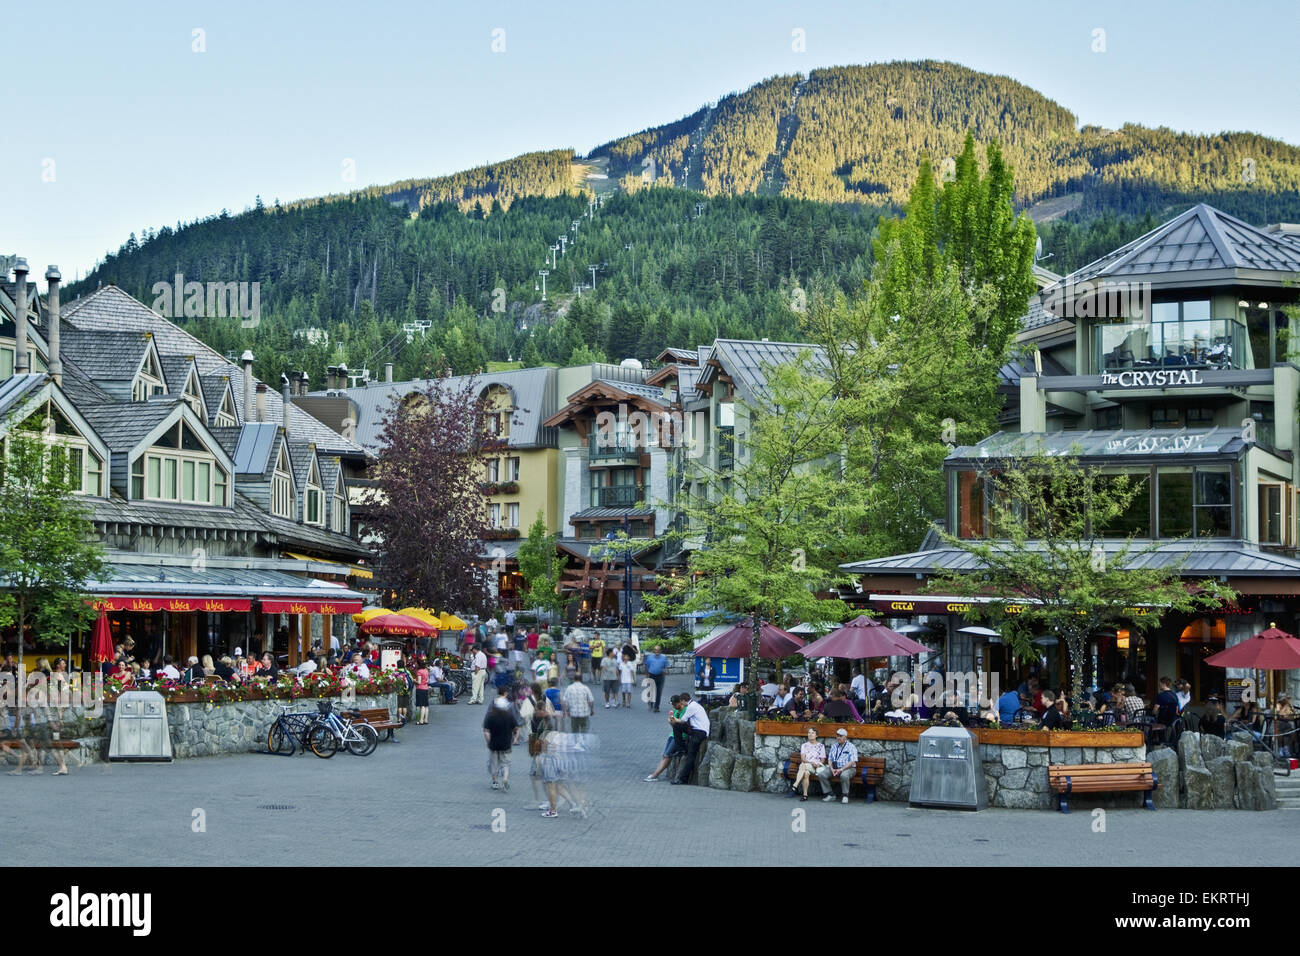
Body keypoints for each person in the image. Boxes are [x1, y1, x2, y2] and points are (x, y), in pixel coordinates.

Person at [483, 687, 520, 791]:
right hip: (506, 743)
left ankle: (495, 782)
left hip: (494, 744)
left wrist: (488, 741)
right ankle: (505, 779)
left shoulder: (491, 717)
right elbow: (516, 729)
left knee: (494, 763)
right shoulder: (509, 717)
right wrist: (514, 739)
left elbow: (486, 731)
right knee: (505, 763)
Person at [645, 695, 688, 781]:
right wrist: (671, 722)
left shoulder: (686, 711)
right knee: (665, 755)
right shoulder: (675, 711)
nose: (674, 706)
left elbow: (684, 724)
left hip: (681, 737)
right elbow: (674, 726)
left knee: (667, 755)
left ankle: (655, 775)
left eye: (675, 704)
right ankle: (657, 773)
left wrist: (675, 721)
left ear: (680, 702)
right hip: (672, 735)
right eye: (672, 704)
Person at [671, 692, 710, 785]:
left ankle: (683, 778)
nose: (681, 704)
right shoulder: (695, 705)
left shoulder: (691, 707)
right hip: (696, 729)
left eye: (681, 702)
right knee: (676, 726)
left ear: (684, 700)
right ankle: (681, 749)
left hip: (700, 732)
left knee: (691, 755)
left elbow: (682, 720)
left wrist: (673, 719)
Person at [791, 726, 830, 802]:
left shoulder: (821, 746)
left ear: (816, 735)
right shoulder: (804, 745)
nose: (810, 734)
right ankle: (805, 795)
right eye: (809, 733)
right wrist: (810, 762)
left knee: (803, 766)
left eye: (812, 733)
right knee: (805, 773)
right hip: (807, 765)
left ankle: (795, 784)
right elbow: (803, 758)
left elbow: (822, 760)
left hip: (815, 767)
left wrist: (817, 764)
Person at [827, 728, 859, 804]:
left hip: (848, 768)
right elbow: (830, 759)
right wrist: (831, 769)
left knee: (844, 775)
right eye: (837, 735)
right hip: (834, 768)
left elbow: (853, 761)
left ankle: (845, 795)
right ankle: (830, 794)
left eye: (840, 736)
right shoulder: (834, 746)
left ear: (845, 737)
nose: (838, 737)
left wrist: (841, 769)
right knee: (822, 774)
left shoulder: (851, 747)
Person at [645, 645, 669, 712]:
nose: (657, 652)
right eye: (655, 650)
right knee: (651, 691)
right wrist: (646, 675)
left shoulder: (664, 658)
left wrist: (666, 671)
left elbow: (666, 667)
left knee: (659, 692)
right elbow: (646, 666)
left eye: (658, 650)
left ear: (660, 651)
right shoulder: (650, 657)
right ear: (654, 651)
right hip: (652, 676)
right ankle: (651, 703)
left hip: (660, 676)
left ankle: (656, 707)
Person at [414, 659, 431, 724]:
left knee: (422, 705)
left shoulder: (419, 671)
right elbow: (427, 680)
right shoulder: (426, 670)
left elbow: (419, 682)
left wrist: (414, 680)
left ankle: (421, 720)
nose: (415, 665)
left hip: (420, 689)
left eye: (416, 663)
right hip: (426, 688)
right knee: (426, 705)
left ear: (418, 664)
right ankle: (426, 719)